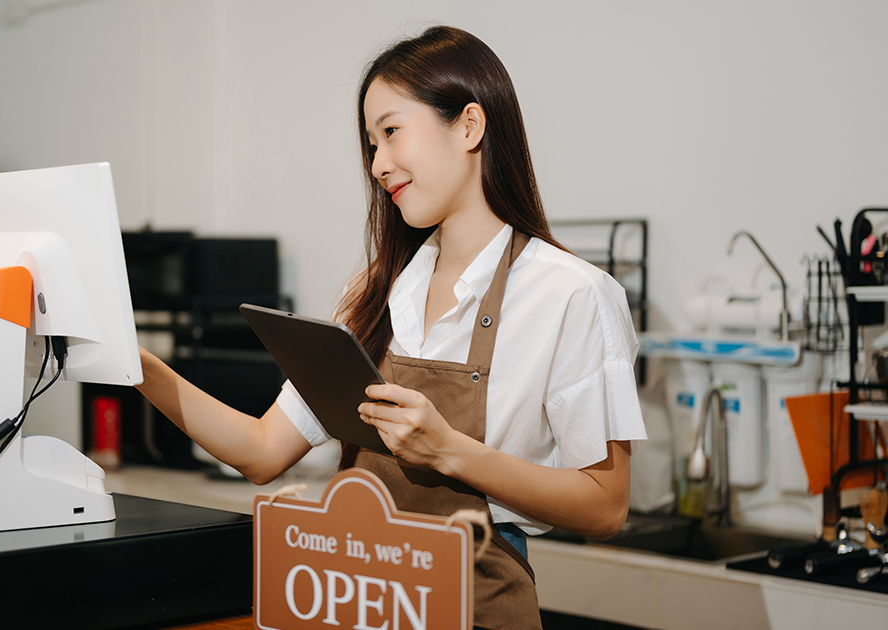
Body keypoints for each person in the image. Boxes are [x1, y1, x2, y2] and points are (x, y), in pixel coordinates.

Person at [136, 25, 646, 629]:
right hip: (358, 606)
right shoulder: (377, 292)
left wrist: (450, 452)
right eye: (370, 144)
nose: (378, 164)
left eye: (391, 133)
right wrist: (132, 363)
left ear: (469, 126)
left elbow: (605, 506)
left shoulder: (571, 295)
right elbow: (261, 451)